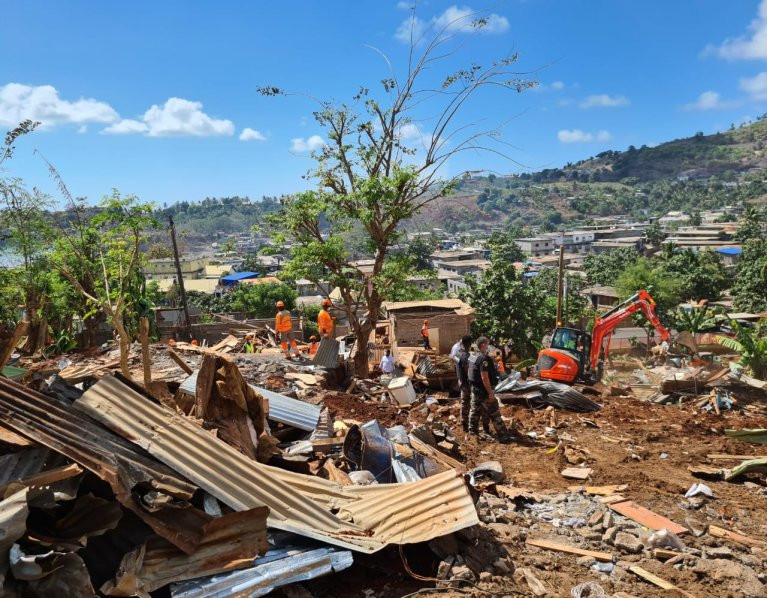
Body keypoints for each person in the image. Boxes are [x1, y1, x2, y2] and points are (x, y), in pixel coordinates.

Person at [468, 336, 510, 441]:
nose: (489, 346)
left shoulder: (472, 356)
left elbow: (470, 371)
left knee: (475, 411)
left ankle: (472, 433)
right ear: (483, 345)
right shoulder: (484, 358)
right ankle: (503, 435)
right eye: (487, 344)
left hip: (475, 389)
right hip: (484, 391)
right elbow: (484, 377)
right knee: (494, 412)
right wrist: (490, 392)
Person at [453, 335, 473, 432]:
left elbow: (456, 366)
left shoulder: (457, 354)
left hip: (460, 380)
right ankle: (466, 423)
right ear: (469, 344)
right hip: (466, 382)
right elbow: (468, 371)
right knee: (468, 402)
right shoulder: (466, 356)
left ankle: (463, 421)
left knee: (464, 401)